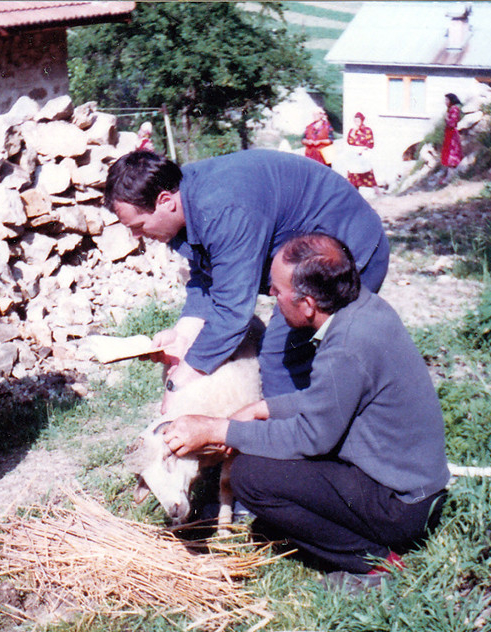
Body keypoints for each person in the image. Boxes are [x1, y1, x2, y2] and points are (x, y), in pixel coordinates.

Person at [163, 234, 449, 584]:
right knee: (271, 468)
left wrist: (218, 430)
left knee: (252, 477)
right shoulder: (366, 309)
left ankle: (374, 562)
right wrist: (265, 408)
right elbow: (335, 398)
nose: (272, 296)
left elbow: (311, 437)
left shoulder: (343, 349)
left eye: (278, 291)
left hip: (401, 507)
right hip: (418, 487)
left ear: (308, 304)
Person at [103, 149, 389, 412]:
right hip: (302, 259)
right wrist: (183, 334)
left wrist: (178, 383)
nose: (137, 237)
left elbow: (232, 311)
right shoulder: (184, 202)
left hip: (348, 250)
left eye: (139, 227)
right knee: (295, 358)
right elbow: (207, 276)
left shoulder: (222, 209)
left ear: (165, 201)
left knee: (283, 360)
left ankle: (298, 455)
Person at [345, 112, 379, 193]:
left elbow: (371, 143)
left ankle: (377, 192)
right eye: (355, 120)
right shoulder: (352, 130)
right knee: (353, 176)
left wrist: (363, 149)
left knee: (368, 174)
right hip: (354, 155)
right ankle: (354, 193)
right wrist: (354, 131)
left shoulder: (367, 130)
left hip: (363, 154)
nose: (357, 122)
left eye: (358, 120)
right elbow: (349, 141)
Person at [440, 93, 463, 184]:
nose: (445, 102)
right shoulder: (451, 109)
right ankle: (449, 176)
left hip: (452, 134)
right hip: (449, 133)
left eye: (447, 100)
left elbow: (452, 123)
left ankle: (451, 177)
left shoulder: (454, 109)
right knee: (449, 152)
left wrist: (446, 118)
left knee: (452, 153)